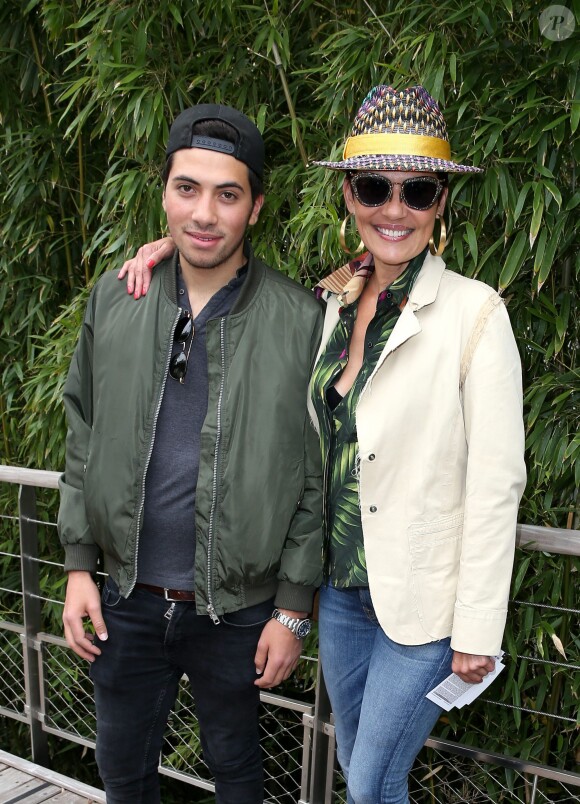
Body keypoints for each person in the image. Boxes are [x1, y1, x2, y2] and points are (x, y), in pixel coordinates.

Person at [123, 85, 526, 804]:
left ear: (441, 204)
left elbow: (498, 486)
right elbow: (241, 282)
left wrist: (478, 630)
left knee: (371, 779)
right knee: (361, 771)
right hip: (341, 595)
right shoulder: (333, 302)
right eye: (374, 188)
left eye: (418, 191)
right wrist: (170, 251)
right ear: (348, 196)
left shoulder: (475, 312)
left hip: (426, 602)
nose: (393, 209)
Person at [57, 102, 324, 804]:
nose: (204, 213)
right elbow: (81, 431)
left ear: (256, 208)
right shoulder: (117, 300)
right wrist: (80, 566)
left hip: (238, 608)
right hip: (125, 596)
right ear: (165, 194)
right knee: (123, 773)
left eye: (227, 194)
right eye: (187, 189)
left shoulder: (302, 321)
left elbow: (315, 476)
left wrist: (293, 608)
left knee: (238, 774)